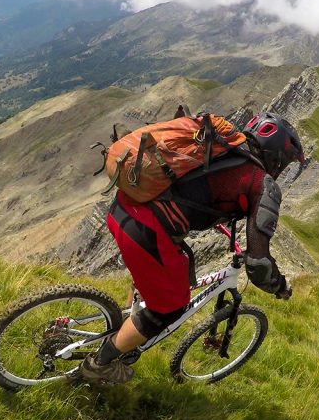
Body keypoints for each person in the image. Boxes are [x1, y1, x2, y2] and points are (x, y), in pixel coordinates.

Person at [79, 111, 305, 384]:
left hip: (125, 207)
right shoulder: (260, 182)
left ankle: (128, 323)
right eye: (286, 163)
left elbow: (200, 191)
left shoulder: (226, 151)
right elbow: (258, 264)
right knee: (169, 308)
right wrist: (280, 286)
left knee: (165, 270)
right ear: (277, 156)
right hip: (146, 230)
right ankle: (99, 364)